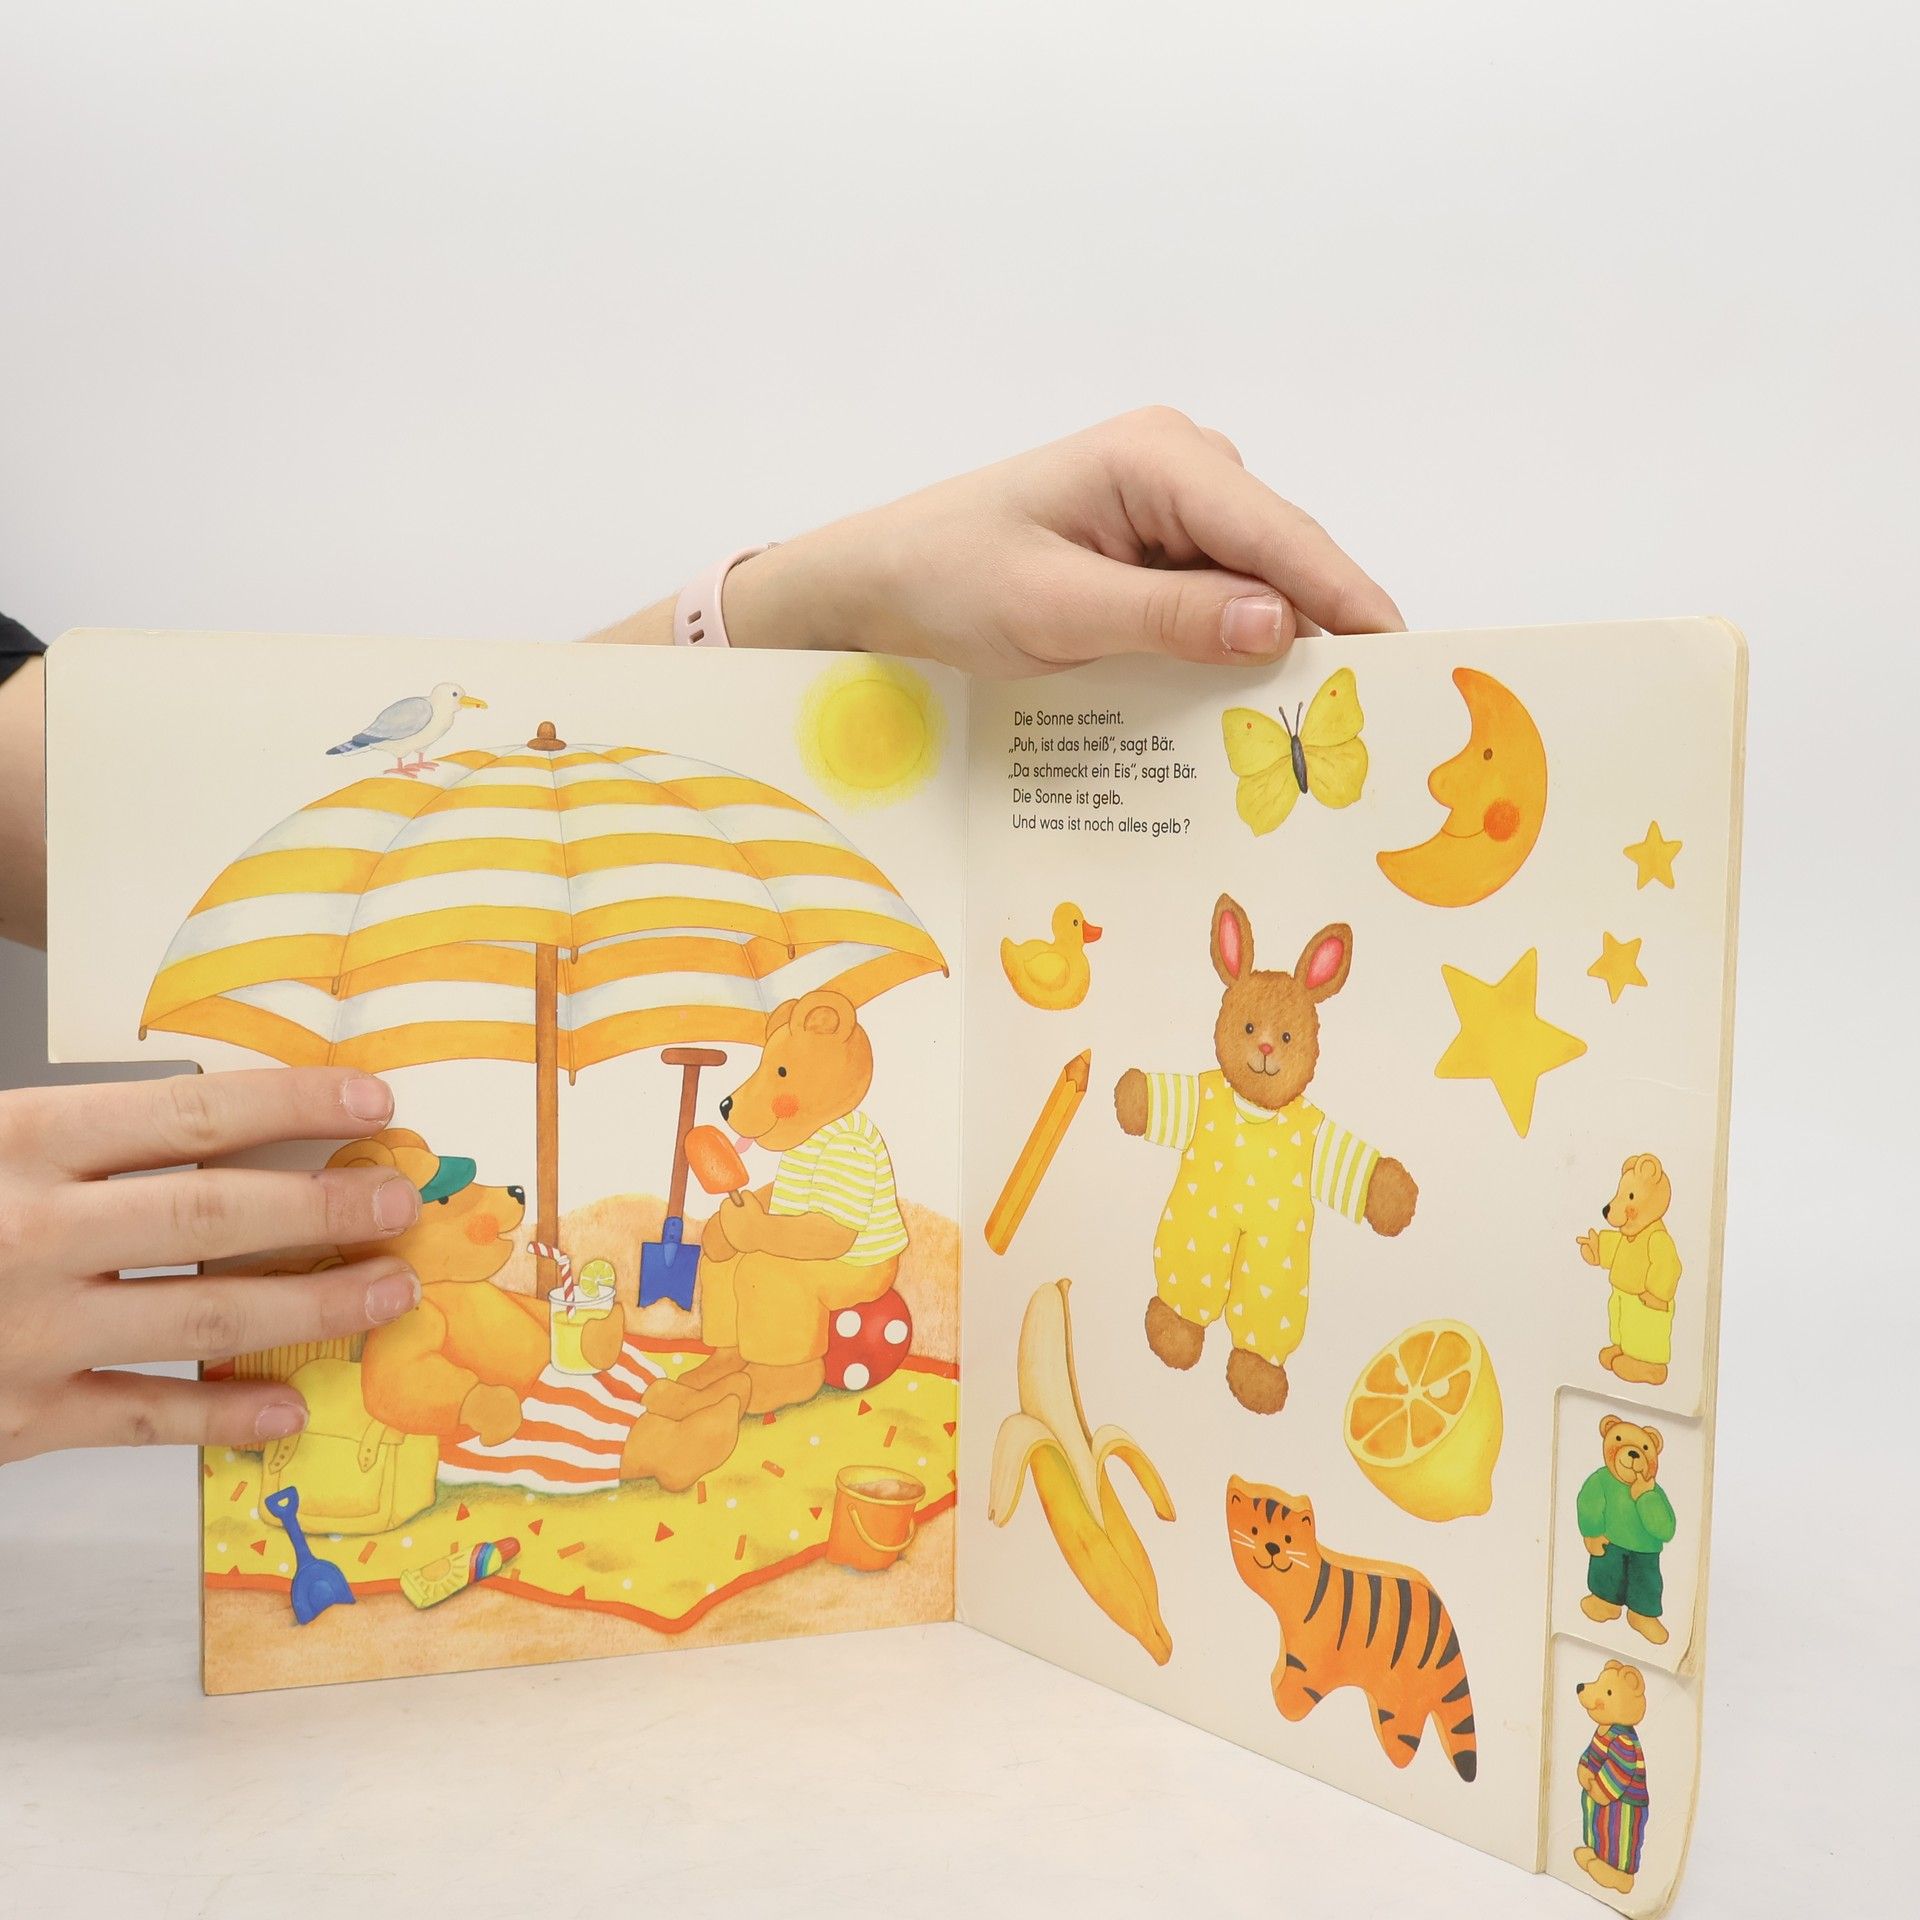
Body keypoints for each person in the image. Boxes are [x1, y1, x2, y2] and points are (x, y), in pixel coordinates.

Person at [0, 408, 1401, 1464]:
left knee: (740, 1270)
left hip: (839, 1265)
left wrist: (793, 606)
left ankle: (740, 1375)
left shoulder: (850, 1145)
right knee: (723, 1269)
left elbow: (126, 819)